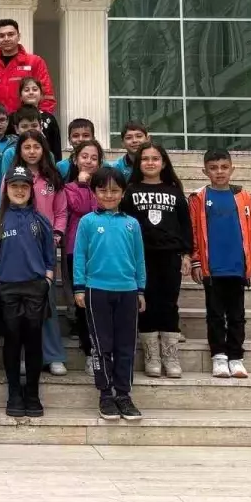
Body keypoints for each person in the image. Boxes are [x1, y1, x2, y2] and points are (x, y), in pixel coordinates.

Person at [73, 166, 146, 420]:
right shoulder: (87, 222)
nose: (109, 195)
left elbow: (139, 258)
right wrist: (79, 287)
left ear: (123, 193)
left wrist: (140, 289)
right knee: (101, 345)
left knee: (126, 345)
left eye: (114, 190)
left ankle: (123, 394)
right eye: (103, 190)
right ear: (94, 192)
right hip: (96, 290)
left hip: (128, 291)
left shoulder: (132, 224)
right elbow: (79, 255)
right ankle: (105, 394)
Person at [189, 148, 251, 379]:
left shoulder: (243, 196)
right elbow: (193, 232)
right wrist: (195, 261)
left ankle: (236, 357)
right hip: (212, 269)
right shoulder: (198, 198)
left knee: (237, 315)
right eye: (213, 168)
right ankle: (219, 357)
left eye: (224, 167)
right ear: (205, 171)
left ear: (232, 169)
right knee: (215, 314)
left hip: (237, 267)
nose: (219, 172)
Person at [0, 165, 55, 418]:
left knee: (34, 341)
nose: (19, 191)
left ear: (31, 189)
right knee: (12, 340)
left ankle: (33, 394)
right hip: (7, 288)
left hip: (35, 287)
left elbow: (50, 260)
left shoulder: (41, 221)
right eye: (14, 186)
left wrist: (46, 283)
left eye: (24, 186)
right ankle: (14, 392)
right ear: (6, 189)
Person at [125, 141, 193, 379]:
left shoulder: (174, 191)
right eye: (145, 159)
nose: (150, 163)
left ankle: (170, 355)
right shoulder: (130, 191)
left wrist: (187, 254)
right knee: (146, 303)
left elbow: (185, 225)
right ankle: (152, 356)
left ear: (164, 163)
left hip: (170, 255)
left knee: (169, 303)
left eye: (155, 158)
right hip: (142, 256)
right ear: (138, 163)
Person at [8, 130, 69, 377]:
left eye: (36, 146)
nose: (32, 151)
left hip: (44, 249)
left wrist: (56, 234)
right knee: (22, 306)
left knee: (47, 302)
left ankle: (53, 356)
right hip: (17, 247)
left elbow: (61, 212)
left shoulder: (52, 178)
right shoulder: (11, 177)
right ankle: (26, 356)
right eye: (27, 147)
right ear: (20, 151)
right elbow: (4, 208)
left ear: (44, 149)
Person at [63, 140, 103, 374]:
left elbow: (99, 209)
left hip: (101, 249)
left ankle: (103, 348)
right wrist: (81, 183)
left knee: (100, 301)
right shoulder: (69, 187)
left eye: (94, 158)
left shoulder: (104, 187)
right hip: (75, 249)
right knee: (82, 303)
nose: (89, 161)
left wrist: (91, 186)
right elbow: (80, 207)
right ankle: (89, 352)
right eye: (84, 156)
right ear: (76, 159)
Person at [0, 19, 56, 116]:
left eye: (11, 34)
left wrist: (43, 117)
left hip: (26, 122)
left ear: (19, 36)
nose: (6, 39)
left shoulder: (34, 62)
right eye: (1, 36)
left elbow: (47, 95)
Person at [17, 77, 62, 160]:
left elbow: (56, 147)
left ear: (41, 95)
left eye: (34, 89)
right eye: (26, 90)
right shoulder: (14, 117)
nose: (31, 92)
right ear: (20, 96)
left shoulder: (50, 119)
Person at [0, 106, 43, 177]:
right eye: (24, 126)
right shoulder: (9, 154)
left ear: (41, 127)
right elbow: (6, 180)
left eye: (34, 126)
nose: (29, 130)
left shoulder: (47, 154)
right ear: (16, 129)